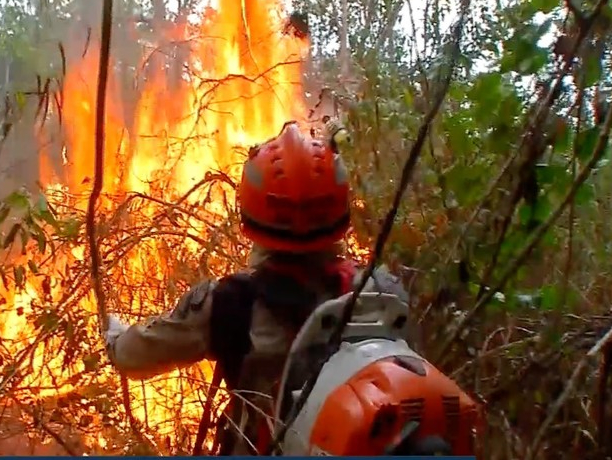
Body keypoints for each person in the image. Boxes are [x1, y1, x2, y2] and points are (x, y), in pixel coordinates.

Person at [103, 119, 410, 455]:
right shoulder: (384, 292)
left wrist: (113, 335)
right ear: (341, 210)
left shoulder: (232, 304)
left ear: (250, 212)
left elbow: (133, 356)